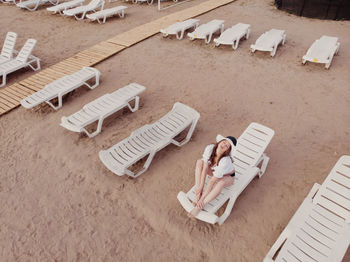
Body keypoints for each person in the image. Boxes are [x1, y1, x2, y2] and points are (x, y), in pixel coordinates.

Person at [189, 135, 237, 217]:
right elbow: (204, 169)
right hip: (215, 172)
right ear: (220, 141)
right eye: (224, 142)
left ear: (227, 151)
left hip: (228, 177)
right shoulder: (210, 148)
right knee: (199, 162)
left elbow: (211, 182)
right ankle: (197, 195)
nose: (224, 145)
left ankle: (199, 206)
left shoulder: (225, 161)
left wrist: (202, 199)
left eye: (227, 146)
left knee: (220, 183)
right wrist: (200, 188)